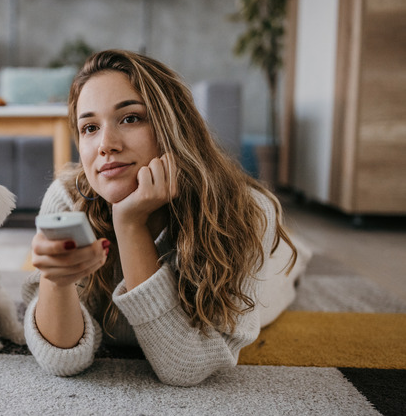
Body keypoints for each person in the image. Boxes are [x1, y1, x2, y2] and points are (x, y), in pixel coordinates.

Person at [23, 49, 309, 386]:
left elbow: (186, 367)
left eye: (130, 118)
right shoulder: (69, 199)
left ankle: (301, 256)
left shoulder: (247, 212)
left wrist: (130, 225)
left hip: (269, 271)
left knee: (287, 272)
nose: (105, 145)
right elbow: (62, 359)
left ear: (173, 126)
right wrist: (57, 280)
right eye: (89, 127)